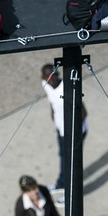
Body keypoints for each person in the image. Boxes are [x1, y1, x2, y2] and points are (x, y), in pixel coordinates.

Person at [41, 63, 88, 194]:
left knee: (72, 161)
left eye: (54, 76)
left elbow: (83, 113)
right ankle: (62, 183)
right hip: (61, 129)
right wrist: (55, 119)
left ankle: (73, 192)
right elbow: (52, 102)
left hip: (74, 131)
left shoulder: (67, 88)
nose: (52, 80)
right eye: (48, 77)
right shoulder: (46, 85)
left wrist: (73, 132)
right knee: (63, 157)